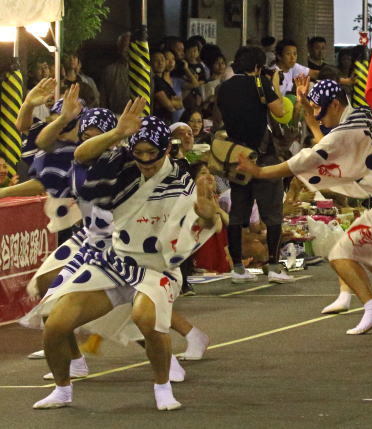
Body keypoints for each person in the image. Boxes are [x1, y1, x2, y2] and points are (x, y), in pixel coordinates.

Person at [33, 99, 220, 410]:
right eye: (140, 152)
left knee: (145, 318)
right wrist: (118, 132)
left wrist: (206, 212)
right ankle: (63, 389)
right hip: (113, 258)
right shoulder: (119, 166)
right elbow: (81, 154)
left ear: (166, 149)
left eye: (152, 153)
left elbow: (204, 221)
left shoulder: (181, 178)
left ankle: (163, 387)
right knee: (55, 322)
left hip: (156, 266)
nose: (146, 159)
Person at [237, 78, 372, 335]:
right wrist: (311, 116)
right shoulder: (362, 115)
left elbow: (310, 157)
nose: (316, 115)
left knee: (340, 253)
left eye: (318, 109)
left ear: (334, 105)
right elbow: (329, 148)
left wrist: (258, 171)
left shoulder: (345, 131)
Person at [215, 46, 291, 283]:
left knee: (238, 213)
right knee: (272, 213)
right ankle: (274, 267)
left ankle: (237, 268)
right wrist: (275, 85)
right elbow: (279, 111)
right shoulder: (260, 84)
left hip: (236, 157)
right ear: (257, 67)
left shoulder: (222, 88)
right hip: (263, 157)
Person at [151, 51, 183, 123]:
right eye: (156, 60)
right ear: (150, 63)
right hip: (157, 123)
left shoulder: (163, 81)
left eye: (162, 60)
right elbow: (169, 106)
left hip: (166, 122)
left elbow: (180, 104)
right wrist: (172, 102)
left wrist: (171, 102)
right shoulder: (154, 81)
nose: (160, 63)